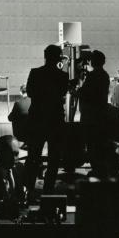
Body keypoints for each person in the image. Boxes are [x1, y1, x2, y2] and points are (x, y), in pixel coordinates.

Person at [24, 44, 69, 198]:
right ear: (59, 58)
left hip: (37, 117)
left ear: (45, 56)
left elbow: (29, 92)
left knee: (33, 156)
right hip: (55, 119)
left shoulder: (35, 73)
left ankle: (28, 189)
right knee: (54, 157)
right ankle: (48, 190)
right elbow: (62, 93)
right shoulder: (63, 76)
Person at [78, 50, 111, 177]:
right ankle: (100, 169)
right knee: (98, 143)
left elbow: (86, 92)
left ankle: (96, 170)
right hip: (101, 112)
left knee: (92, 143)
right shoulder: (104, 74)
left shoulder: (93, 75)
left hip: (91, 114)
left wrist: (77, 91)